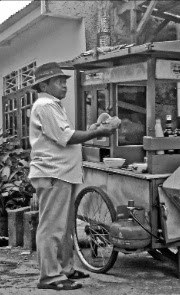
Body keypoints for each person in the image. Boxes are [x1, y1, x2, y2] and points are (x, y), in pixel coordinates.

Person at [28, 62, 118, 291]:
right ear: (44, 85)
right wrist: (98, 131)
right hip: (52, 173)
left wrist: (94, 128)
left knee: (65, 227)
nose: (64, 85)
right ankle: (50, 276)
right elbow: (66, 137)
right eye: (59, 81)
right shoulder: (46, 105)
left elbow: (65, 135)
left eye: (65, 80)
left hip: (62, 174)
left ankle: (65, 269)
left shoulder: (54, 106)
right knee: (52, 228)